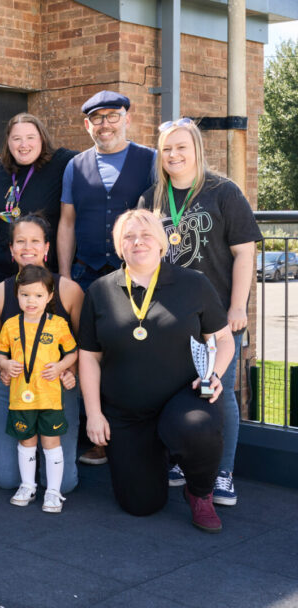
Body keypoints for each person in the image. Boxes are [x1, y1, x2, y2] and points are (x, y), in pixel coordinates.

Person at [78, 209, 234, 532]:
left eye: (146, 235)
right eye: (129, 237)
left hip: (184, 399)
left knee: (198, 427)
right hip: (127, 412)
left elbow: (223, 339)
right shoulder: (99, 291)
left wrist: (214, 375)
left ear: (161, 243)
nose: (138, 242)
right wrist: (94, 413)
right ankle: (158, 459)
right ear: (119, 247)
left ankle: (199, 491)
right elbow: (89, 357)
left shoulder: (194, 284)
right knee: (140, 506)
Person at [139, 118, 261, 506]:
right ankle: (181, 460)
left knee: (218, 392)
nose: (174, 155)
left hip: (217, 317)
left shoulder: (223, 192)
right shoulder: (151, 199)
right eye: (167, 149)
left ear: (196, 150)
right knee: (174, 387)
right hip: (170, 317)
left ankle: (222, 473)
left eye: (181, 147)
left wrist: (238, 306)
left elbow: (245, 252)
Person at [0, 214, 84, 494]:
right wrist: (2, 364)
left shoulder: (68, 290)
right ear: (11, 249)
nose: (27, 247)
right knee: (6, 479)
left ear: (46, 248)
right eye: (20, 241)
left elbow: (84, 346)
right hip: (14, 388)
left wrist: (70, 372)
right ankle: (28, 470)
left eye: (34, 241)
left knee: (65, 484)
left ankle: (48, 469)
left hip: (55, 387)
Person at [0, 266, 78, 513]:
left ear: (50, 296)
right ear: (17, 295)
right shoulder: (10, 325)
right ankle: (28, 485)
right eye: (25, 295)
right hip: (21, 398)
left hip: (50, 398)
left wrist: (62, 365)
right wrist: (5, 364)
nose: (31, 301)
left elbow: (72, 352)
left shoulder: (59, 324)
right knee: (26, 441)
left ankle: (53, 491)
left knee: (51, 442)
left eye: (39, 296)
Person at [58, 91, 155, 293]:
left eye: (112, 116)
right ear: (88, 125)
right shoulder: (74, 167)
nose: (105, 124)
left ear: (127, 120)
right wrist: (65, 275)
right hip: (85, 276)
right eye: (97, 118)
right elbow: (67, 223)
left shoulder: (151, 160)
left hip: (137, 273)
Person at [0, 113, 75, 283]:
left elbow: (96, 157)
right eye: (16, 138)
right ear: (8, 142)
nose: (23, 145)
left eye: (30, 137)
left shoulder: (61, 162)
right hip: (3, 274)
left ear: (42, 139)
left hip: (45, 276)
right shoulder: (0, 168)